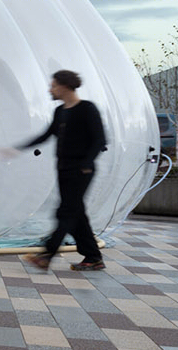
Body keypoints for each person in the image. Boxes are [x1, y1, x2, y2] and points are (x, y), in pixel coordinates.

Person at [6, 69, 107, 272]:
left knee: (66, 212)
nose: (50, 89)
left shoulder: (87, 109)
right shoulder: (60, 111)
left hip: (81, 171)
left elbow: (100, 140)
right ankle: (93, 257)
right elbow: (46, 135)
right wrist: (17, 148)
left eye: (53, 85)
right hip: (63, 169)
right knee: (76, 213)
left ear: (64, 86)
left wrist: (86, 164)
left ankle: (47, 254)